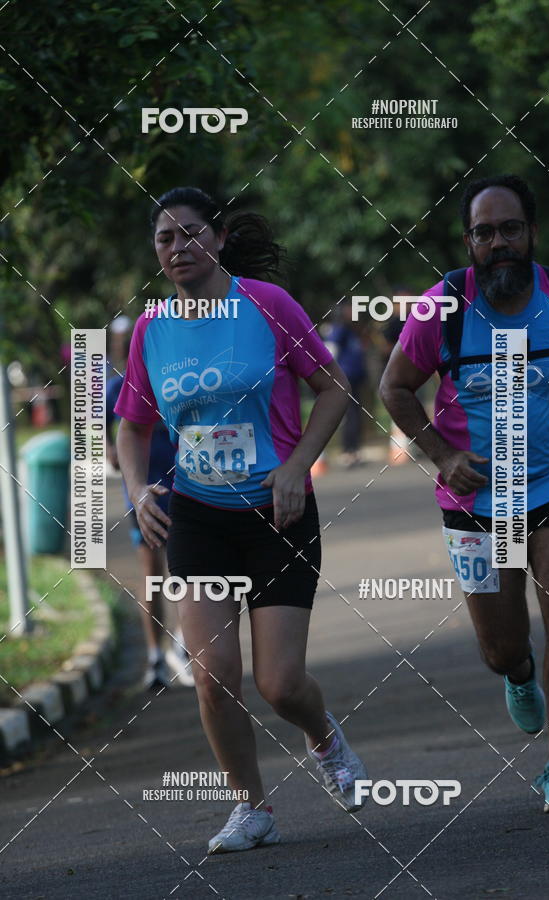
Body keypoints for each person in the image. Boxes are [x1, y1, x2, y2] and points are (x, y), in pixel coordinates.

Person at [114, 186, 368, 853]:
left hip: (278, 514)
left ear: (219, 238)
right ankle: (251, 808)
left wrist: (297, 468)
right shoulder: (151, 330)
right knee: (212, 674)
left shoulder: (267, 305)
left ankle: (324, 737)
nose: (179, 248)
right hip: (197, 516)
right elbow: (132, 427)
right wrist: (138, 490)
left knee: (280, 684)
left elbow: (334, 390)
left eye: (191, 233)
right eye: (166, 239)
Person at [380, 174, 549, 814]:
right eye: (484, 232)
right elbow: (395, 388)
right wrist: (443, 457)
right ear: (468, 241)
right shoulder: (440, 307)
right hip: (480, 504)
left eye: (510, 229)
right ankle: (521, 674)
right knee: (502, 648)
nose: (498, 243)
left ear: (531, 232)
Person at [106, 330, 194, 690]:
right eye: (123, 345)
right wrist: (112, 453)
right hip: (143, 495)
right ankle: (156, 659)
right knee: (153, 574)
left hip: (186, 488)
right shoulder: (116, 388)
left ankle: (184, 646)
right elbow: (102, 436)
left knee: (188, 573)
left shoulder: (173, 378)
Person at [328, 301, 369, 466]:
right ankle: (347, 450)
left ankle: (355, 449)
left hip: (356, 378)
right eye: (349, 309)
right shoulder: (339, 330)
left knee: (356, 415)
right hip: (344, 378)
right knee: (349, 416)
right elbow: (330, 351)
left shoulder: (354, 331)